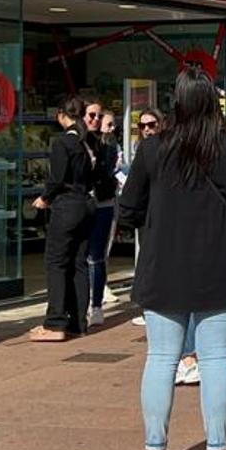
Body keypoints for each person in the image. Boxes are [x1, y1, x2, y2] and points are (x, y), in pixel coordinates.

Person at [119, 66, 226, 450]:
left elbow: (129, 210)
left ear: (177, 103)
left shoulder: (152, 149)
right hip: (219, 264)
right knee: (217, 357)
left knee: (161, 358)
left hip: (163, 265)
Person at [28, 96, 96, 341]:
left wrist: (44, 198)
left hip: (67, 205)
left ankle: (55, 322)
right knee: (78, 262)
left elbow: (56, 179)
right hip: (86, 204)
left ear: (60, 115)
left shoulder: (63, 143)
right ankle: (78, 322)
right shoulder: (88, 142)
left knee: (56, 262)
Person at [87, 107, 121, 327]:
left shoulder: (108, 147)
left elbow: (106, 173)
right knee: (88, 257)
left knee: (97, 257)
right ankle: (88, 302)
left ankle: (96, 304)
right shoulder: (84, 142)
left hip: (102, 204)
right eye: (94, 117)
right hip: (87, 204)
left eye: (102, 119)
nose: (98, 122)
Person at [130, 108, 162, 329]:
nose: (147, 130)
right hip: (146, 216)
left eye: (151, 125)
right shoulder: (141, 148)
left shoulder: (164, 148)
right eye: (142, 126)